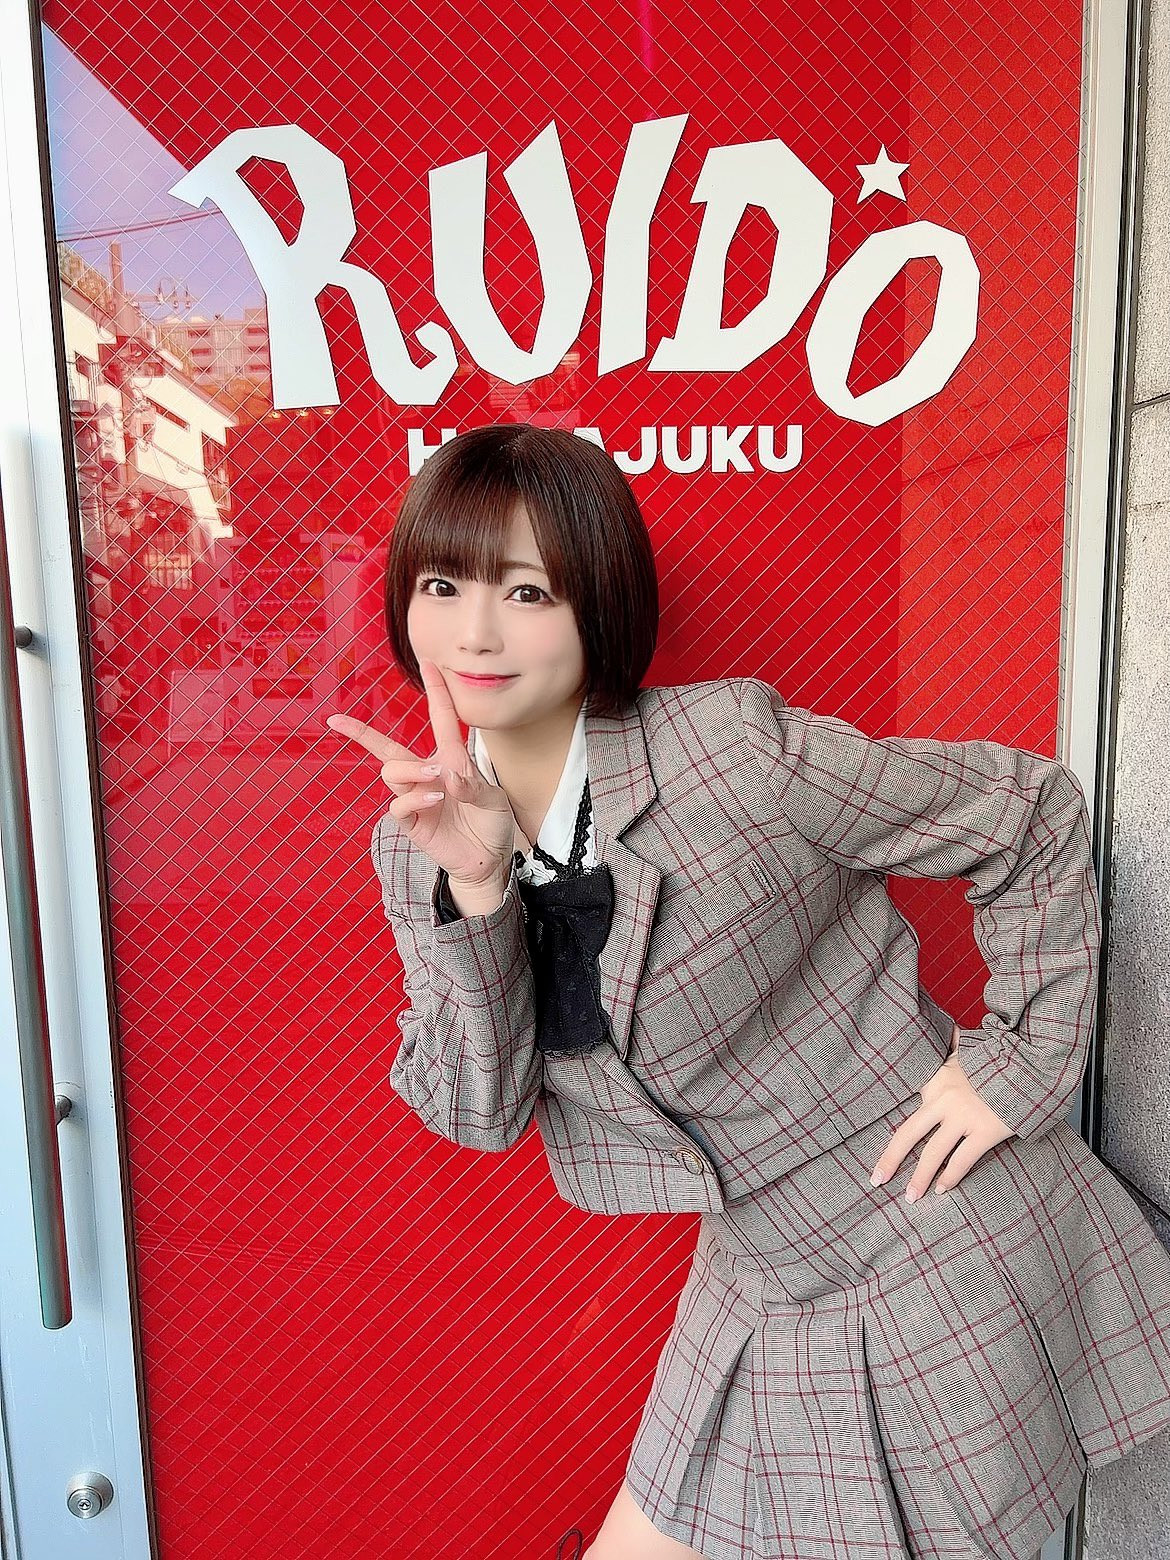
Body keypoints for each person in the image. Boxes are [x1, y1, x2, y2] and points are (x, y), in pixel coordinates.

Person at [326, 424, 1170, 1560]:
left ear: (597, 604)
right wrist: (479, 890)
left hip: (931, 1228)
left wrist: (1015, 1066)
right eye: (443, 585)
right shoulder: (418, 844)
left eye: (526, 591)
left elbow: (1025, 814)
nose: (475, 633)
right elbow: (478, 1112)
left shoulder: (728, 752)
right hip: (757, 1266)